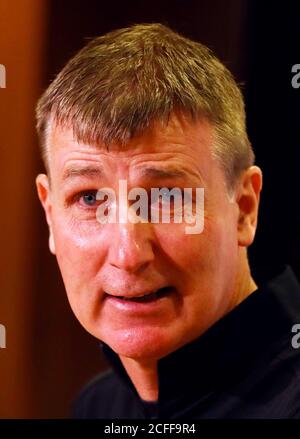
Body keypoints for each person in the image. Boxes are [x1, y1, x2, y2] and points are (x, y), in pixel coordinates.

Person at [35, 23, 300, 418]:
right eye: (89, 198)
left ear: (244, 208)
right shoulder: (97, 405)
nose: (128, 254)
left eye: (166, 197)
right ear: (51, 215)